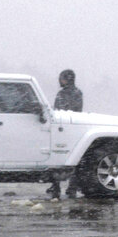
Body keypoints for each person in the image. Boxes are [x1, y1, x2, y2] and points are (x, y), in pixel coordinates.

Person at [47, 69, 84, 199]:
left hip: (63, 128)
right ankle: (71, 187)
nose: (60, 81)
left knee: (58, 158)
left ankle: (57, 186)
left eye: (62, 79)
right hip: (71, 128)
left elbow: (59, 110)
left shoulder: (63, 94)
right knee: (73, 160)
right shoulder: (77, 93)